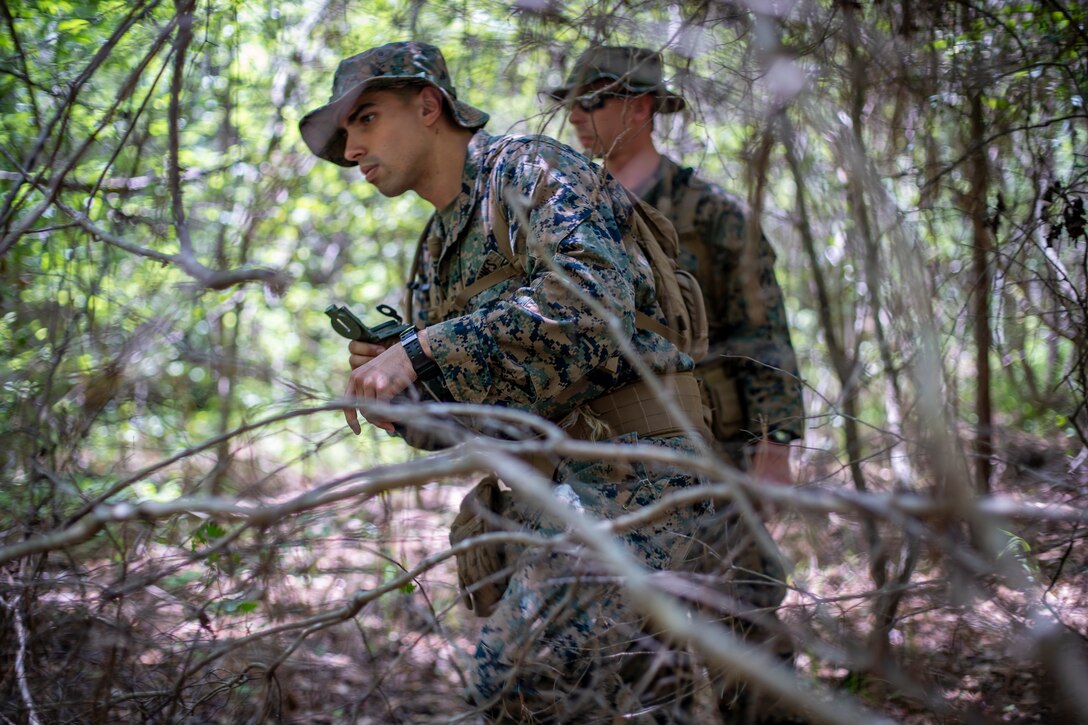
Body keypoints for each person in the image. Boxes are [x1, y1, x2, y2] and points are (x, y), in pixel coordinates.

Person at [300, 41, 713, 721]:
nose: (351, 151)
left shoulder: (530, 172)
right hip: (548, 494)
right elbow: (467, 422)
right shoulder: (437, 247)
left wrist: (425, 347)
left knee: (515, 681)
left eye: (364, 119)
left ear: (428, 105)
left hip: (638, 479)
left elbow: (590, 306)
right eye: (346, 133)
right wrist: (401, 400)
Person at [542, 46, 805, 722]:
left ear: (641, 106)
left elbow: (762, 332)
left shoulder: (710, 212)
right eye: (571, 103)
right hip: (609, 452)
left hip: (712, 444)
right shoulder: (573, 214)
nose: (576, 117)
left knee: (742, 609)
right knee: (632, 628)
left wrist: (774, 442)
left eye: (591, 101)